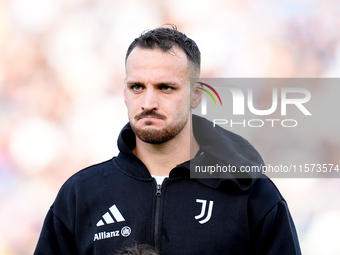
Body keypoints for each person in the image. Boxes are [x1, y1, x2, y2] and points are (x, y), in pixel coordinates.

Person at [34, 25, 301, 254]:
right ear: (125, 92)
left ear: (196, 95)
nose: (148, 103)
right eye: (137, 87)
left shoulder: (251, 194)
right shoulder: (81, 194)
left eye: (165, 87)